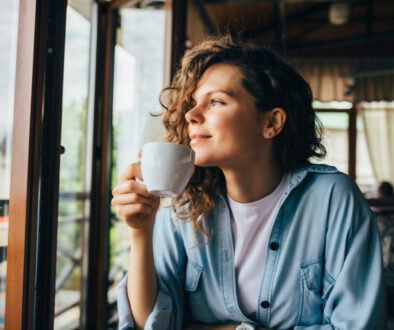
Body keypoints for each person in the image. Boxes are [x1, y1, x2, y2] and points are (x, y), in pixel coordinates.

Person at [112, 35, 386, 330]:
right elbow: (148, 325)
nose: (191, 115)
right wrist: (141, 231)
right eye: (192, 104)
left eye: (216, 101)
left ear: (271, 123)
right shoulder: (183, 206)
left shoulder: (333, 199)